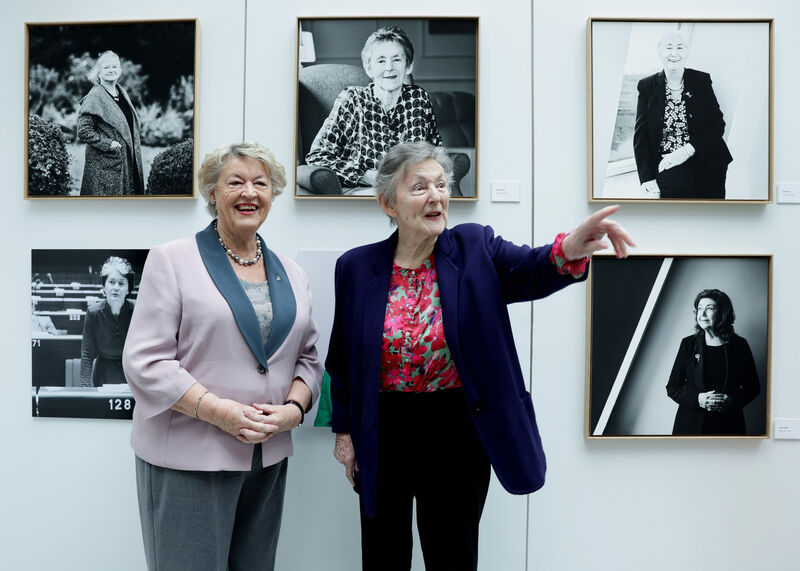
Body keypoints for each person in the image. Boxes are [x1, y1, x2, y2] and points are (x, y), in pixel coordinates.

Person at [327, 141, 635, 570]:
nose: (435, 196)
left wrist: (569, 247)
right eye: (419, 187)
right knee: (382, 554)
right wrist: (345, 434)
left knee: (452, 554)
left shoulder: (475, 247)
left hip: (456, 428)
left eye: (440, 184)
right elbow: (341, 357)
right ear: (387, 203)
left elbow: (528, 269)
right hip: (384, 428)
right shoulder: (356, 267)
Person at [122, 142, 322, 570]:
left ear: (273, 194)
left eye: (261, 183)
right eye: (236, 182)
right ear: (212, 193)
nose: (249, 192)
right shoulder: (171, 260)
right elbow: (146, 362)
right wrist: (218, 412)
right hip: (188, 460)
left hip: (265, 459)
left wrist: (293, 410)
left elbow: (308, 357)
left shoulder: (293, 272)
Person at [305, 26, 442, 189]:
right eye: (381, 60)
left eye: (397, 59)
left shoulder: (419, 99)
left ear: (408, 66)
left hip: (411, 190)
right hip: (365, 189)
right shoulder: (353, 99)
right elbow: (317, 156)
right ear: (369, 68)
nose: (389, 67)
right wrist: (364, 175)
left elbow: (435, 152)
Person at [633, 30, 732, 199]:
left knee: (711, 211)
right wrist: (646, 178)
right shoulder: (646, 86)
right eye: (668, 47)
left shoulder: (701, 80)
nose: (674, 53)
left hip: (705, 157)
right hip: (668, 161)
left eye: (680, 48)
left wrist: (687, 150)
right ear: (660, 52)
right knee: (677, 196)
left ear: (686, 53)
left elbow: (717, 126)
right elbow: (641, 135)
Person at [666, 289, 760, 435]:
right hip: (690, 425)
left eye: (709, 308)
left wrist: (731, 401)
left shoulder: (739, 345)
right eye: (699, 309)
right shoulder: (688, 344)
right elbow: (672, 387)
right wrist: (698, 399)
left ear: (722, 313)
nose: (702, 314)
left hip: (729, 425)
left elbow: (753, 388)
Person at [77, 50, 145, 196]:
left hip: (128, 161)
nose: (111, 70)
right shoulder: (94, 96)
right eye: (106, 67)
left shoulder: (121, 93)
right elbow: (83, 131)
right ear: (98, 72)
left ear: (119, 70)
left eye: (114, 67)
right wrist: (109, 144)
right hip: (105, 165)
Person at [80, 256, 136, 387]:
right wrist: (85, 390)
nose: (116, 287)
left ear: (128, 288)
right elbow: (87, 355)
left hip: (132, 374)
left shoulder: (138, 311)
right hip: (103, 375)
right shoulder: (93, 313)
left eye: (121, 283)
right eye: (111, 282)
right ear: (104, 287)